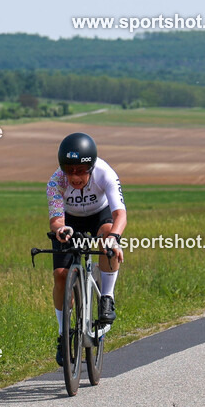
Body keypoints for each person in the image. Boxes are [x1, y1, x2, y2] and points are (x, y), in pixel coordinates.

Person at [46, 132, 127, 366]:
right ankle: (63, 335)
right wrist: (61, 230)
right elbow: (56, 220)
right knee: (60, 275)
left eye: (81, 170)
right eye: (69, 170)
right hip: (69, 221)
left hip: (100, 216)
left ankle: (107, 298)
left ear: (91, 167)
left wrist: (114, 238)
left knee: (107, 240)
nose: (74, 176)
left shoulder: (105, 173)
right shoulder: (55, 181)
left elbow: (120, 214)